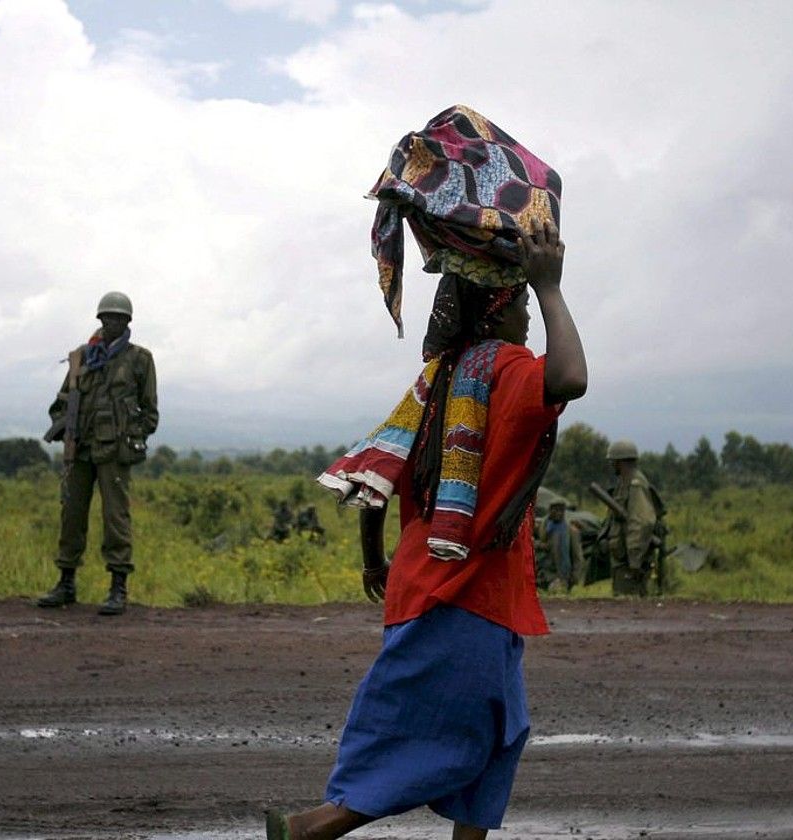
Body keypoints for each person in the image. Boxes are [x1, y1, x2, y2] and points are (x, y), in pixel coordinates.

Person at [270, 105, 585, 840]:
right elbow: (570, 378)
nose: (530, 327)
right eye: (524, 312)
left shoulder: (437, 383)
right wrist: (550, 285)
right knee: (438, 740)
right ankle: (307, 829)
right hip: (460, 594)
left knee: (497, 737)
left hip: (455, 587)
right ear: (502, 306)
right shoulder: (501, 370)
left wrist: (374, 557)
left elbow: (375, 475)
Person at [37, 291, 158, 616]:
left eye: (119, 318)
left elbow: (150, 413)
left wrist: (130, 438)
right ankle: (66, 582)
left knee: (115, 517)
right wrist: (64, 426)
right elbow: (61, 401)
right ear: (100, 320)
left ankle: (118, 587)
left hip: (115, 452)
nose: (112, 322)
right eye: (107, 317)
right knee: (71, 515)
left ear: (127, 322)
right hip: (80, 449)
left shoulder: (139, 359)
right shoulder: (82, 358)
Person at [602, 439, 661, 597]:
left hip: (631, 562)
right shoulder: (624, 483)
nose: (612, 465)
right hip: (623, 559)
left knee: (630, 609)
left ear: (619, 462)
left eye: (613, 461)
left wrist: (635, 559)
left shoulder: (635, 484)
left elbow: (641, 522)